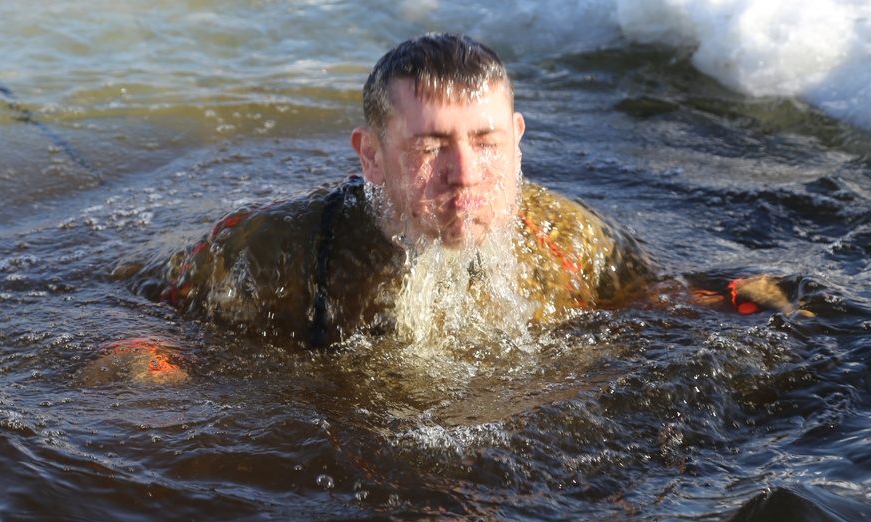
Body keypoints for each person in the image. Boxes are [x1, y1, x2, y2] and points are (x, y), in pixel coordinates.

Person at [86, 33, 808, 384]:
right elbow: (135, 302)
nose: (467, 176)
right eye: (432, 146)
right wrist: (145, 371)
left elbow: (658, 298)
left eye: (488, 142)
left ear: (517, 141)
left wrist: (760, 302)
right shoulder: (280, 250)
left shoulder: (566, 239)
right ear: (369, 155)